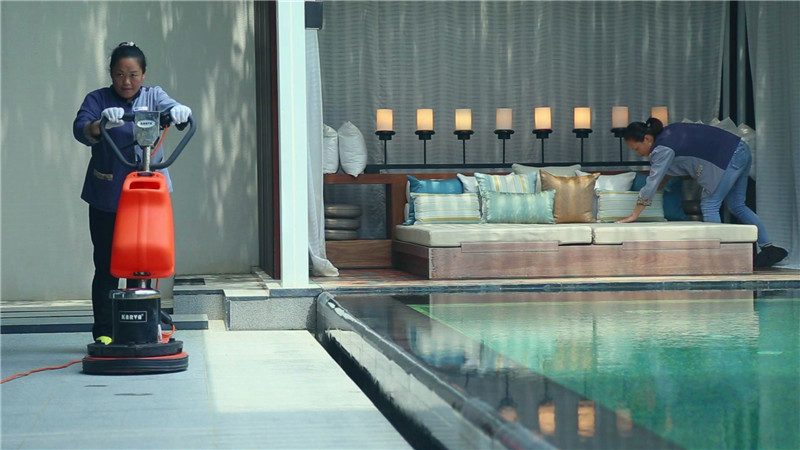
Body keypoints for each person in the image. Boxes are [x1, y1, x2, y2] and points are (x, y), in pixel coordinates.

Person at [73, 42, 192, 344]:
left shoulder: (154, 96)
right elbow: (80, 129)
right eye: (119, 74)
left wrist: (178, 112)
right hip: (108, 198)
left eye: (133, 75)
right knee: (107, 265)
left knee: (143, 264)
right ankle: (105, 332)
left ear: (144, 74)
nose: (126, 82)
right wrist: (100, 124)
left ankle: (143, 329)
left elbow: (172, 111)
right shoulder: (98, 99)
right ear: (111, 74)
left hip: (147, 201)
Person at [616, 118, 787, 268]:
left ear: (647, 139)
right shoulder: (669, 132)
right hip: (741, 148)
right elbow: (664, 173)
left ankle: (719, 258)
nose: (638, 153)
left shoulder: (662, 149)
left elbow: (651, 183)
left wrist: (634, 215)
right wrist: (660, 185)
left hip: (730, 156)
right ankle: (768, 248)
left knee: (709, 205)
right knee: (737, 205)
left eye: (636, 148)